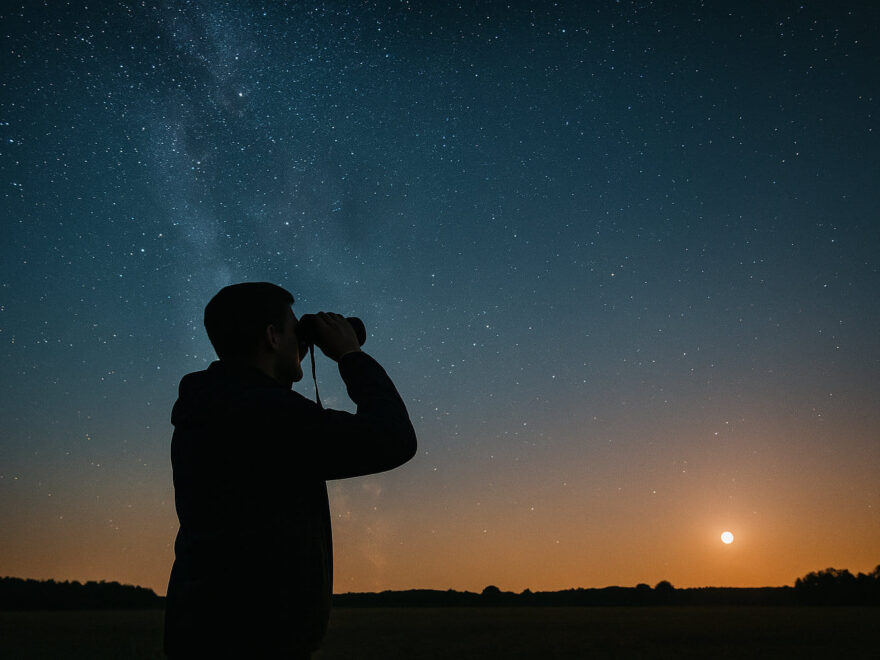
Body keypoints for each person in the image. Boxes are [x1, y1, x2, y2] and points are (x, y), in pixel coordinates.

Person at [163, 282, 417, 659]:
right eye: (295, 330)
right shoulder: (264, 415)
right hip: (253, 641)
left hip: (207, 630)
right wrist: (350, 355)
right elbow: (393, 438)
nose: (303, 342)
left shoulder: (211, 406)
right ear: (272, 336)